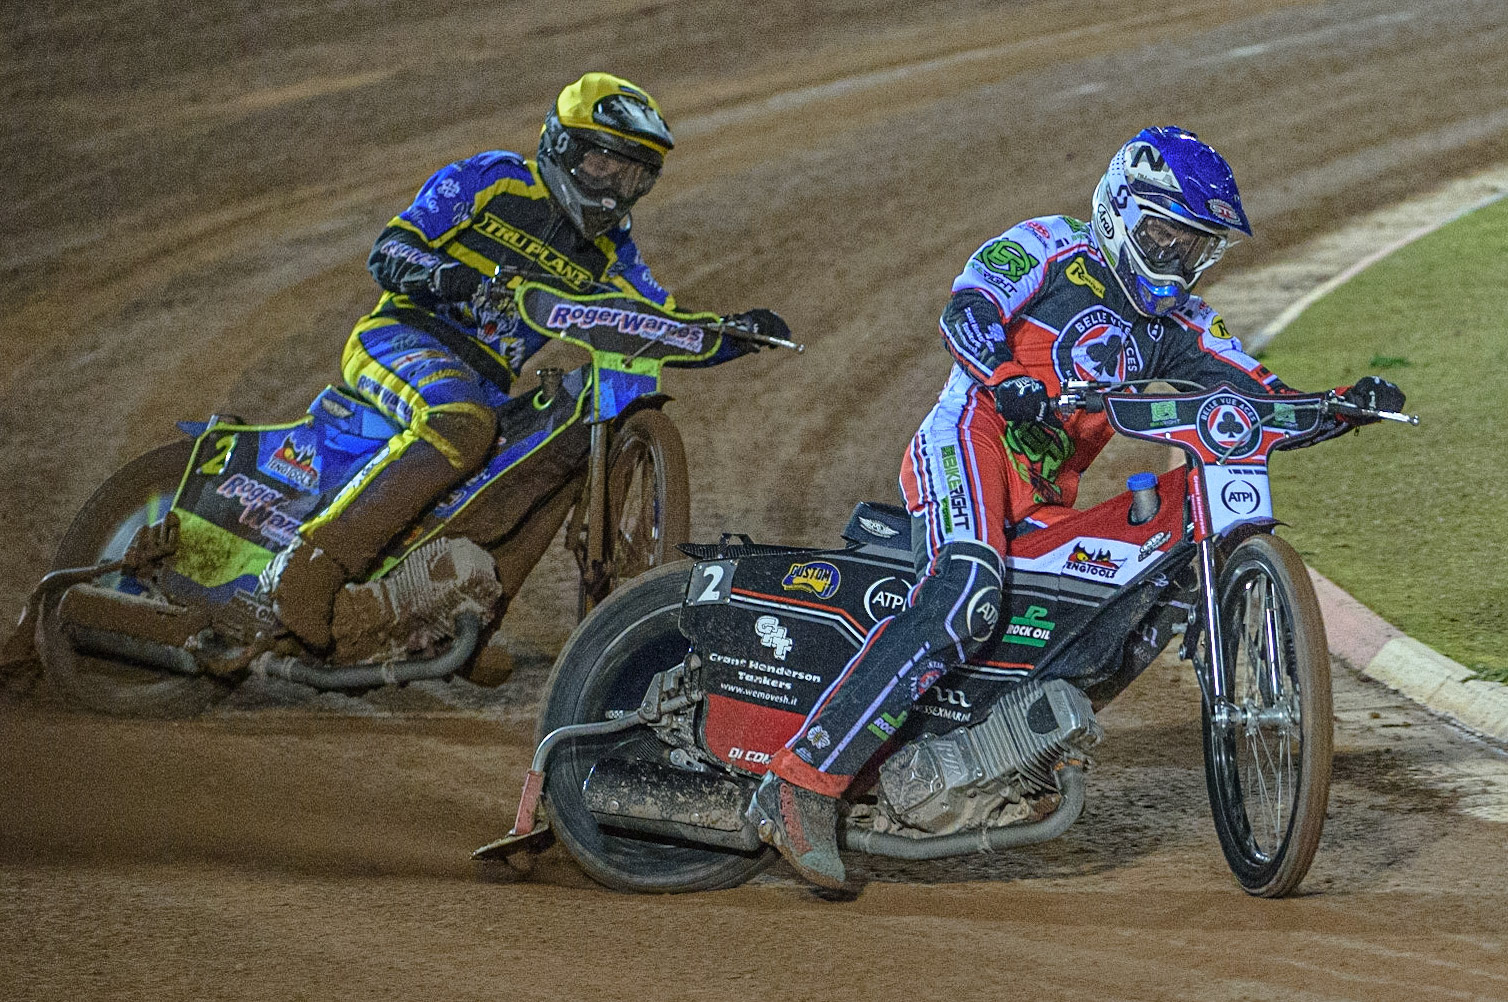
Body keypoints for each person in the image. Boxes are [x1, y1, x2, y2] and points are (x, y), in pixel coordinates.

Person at [747, 126, 1405, 889]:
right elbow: (966, 309)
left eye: (1192, 248)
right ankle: (800, 784)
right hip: (972, 439)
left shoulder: (1177, 324)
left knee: (1124, 595)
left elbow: (1256, 390)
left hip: (1046, 495)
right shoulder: (1046, 246)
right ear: (1121, 210)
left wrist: (1340, 407)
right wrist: (1002, 373)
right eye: (1163, 236)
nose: (1175, 261)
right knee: (967, 588)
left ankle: (1004, 750)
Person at [271, 72, 787, 649]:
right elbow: (388, 251)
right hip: (401, 335)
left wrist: (734, 334)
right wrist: (456, 278)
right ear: (562, 147)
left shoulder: (612, 249)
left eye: (635, 174)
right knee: (462, 422)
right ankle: (310, 568)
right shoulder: (494, 180)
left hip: (487, 383)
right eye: (604, 164)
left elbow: (656, 322)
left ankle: (462, 623)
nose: (616, 187)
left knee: (558, 449)